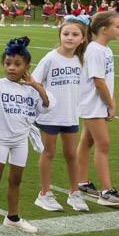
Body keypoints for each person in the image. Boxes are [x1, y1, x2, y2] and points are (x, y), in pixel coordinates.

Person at [0, 38, 52, 236]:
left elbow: (45, 104)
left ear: (27, 67)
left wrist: (36, 85)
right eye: (8, 63)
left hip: (20, 141)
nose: (11, 68)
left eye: (17, 64)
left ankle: (13, 217)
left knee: (16, 180)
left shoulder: (30, 89)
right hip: (0, 140)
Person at [32, 16, 89, 212]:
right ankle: (44, 194)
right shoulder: (50, 58)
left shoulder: (81, 60)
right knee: (49, 153)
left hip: (70, 115)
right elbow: (34, 81)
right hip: (50, 116)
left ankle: (74, 193)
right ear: (60, 35)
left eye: (75, 34)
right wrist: (44, 100)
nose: (70, 38)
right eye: (66, 34)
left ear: (82, 39)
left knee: (71, 155)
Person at [75, 10, 119, 206]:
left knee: (87, 142)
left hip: (97, 103)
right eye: (118, 26)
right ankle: (106, 192)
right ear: (104, 29)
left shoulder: (105, 50)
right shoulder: (95, 50)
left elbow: (107, 80)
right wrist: (110, 104)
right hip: (93, 103)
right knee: (103, 144)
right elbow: (98, 82)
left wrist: (111, 100)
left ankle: (81, 182)